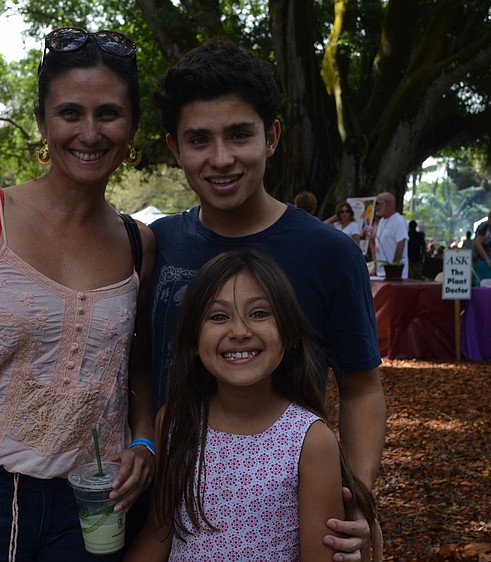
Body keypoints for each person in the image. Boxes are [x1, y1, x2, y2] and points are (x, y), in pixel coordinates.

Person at [0, 27, 157, 562]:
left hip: (92, 503)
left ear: (131, 127)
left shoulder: (140, 243)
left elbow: (134, 366)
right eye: (70, 113)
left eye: (109, 113)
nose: (89, 133)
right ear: (42, 121)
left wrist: (143, 438)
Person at [148, 40, 385, 559]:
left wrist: (358, 496)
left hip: (285, 505)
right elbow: (138, 367)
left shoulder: (329, 253)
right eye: (199, 139)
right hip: (167, 505)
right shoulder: (156, 245)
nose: (221, 158)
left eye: (239, 134)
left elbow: (362, 388)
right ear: (175, 148)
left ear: (271, 136)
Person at [125, 250, 380, 561]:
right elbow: (159, 532)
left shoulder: (310, 440)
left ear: (288, 334)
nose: (240, 331)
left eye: (259, 313)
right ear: (193, 340)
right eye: (219, 316)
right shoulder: (176, 422)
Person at [371, 191, 408, 279]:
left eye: (377, 203)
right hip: (381, 274)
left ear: (387, 204)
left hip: (395, 275)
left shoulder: (398, 220)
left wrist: (393, 268)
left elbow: (400, 245)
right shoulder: (381, 221)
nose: (375, 207)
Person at [473, 207, 491, 285]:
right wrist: (487, 259)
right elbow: (478, 244)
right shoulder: (484, 227)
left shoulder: (488, 228)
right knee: (486, 281)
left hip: (487, 260)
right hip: (483, 261)